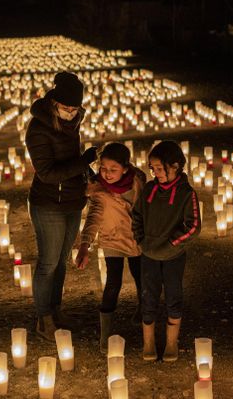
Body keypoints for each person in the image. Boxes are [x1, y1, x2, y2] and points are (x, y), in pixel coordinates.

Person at [25, 71, 98, 342]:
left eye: (75, 108)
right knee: (48, 262)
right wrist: (83, 162)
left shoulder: (73, 122)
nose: (71, 112)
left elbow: (71, 158)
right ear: (54, 103)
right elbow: (46, 173)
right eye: (66, 108)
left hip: (71, 200)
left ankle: (56, 310)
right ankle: (44, 319)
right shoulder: (38, 128)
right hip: (48, 204)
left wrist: (88, 174)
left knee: (62, 261)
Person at [133, 140, 201, 362]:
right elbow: (137, 215)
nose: (155, 173)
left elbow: (193, 226)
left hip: (173, 257)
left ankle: (172, 342)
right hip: (148, 255)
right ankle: (149, 342)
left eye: (159, 168)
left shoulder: (186, 193)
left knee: (173, 297)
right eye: (152, 169)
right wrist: (140, 239)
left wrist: (171, 243)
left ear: (175, 166)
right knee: (148, 297)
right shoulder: (150, 190)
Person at [75, 142, 147, 351]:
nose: (107, 174)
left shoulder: (138, 180)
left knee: (141, 277)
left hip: (136, 239)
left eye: (113, 169)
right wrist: (84, 245)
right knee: (113, 283)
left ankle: (144, 312)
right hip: (112, 239)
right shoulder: (99, 190)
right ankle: (105, 332)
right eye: (103, 168)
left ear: (126, 168)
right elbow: (94, 217)